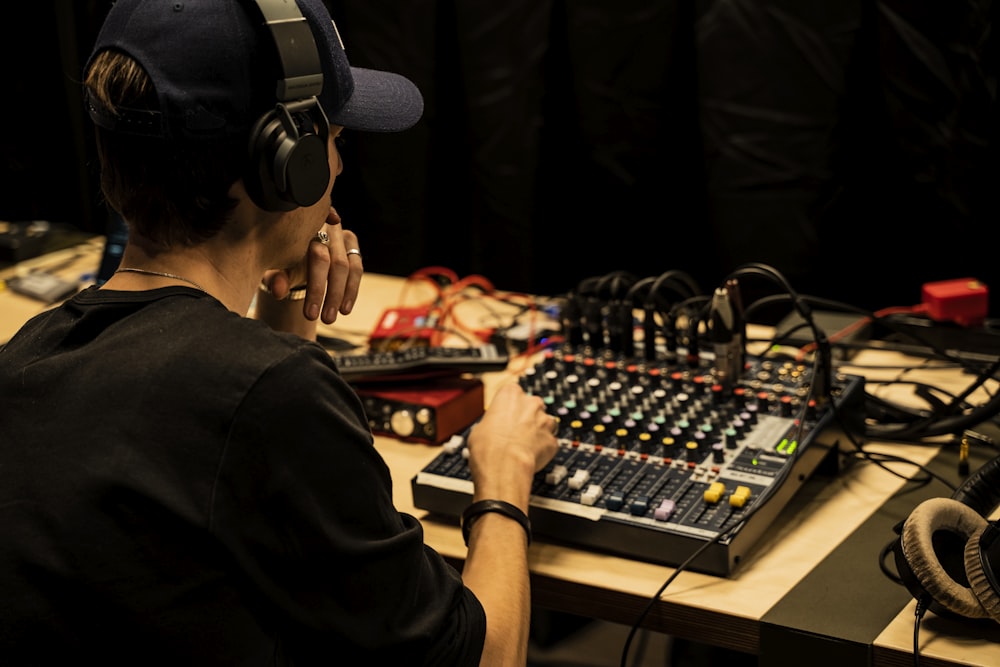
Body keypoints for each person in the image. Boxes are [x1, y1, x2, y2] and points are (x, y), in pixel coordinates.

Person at [0, 1, 558, 665]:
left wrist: (289, 320)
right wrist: (503, 477)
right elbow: (489, 655)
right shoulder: (269, 392)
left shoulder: (25, 358)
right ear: (282, 162)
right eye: (334, 142)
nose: (340, 169)